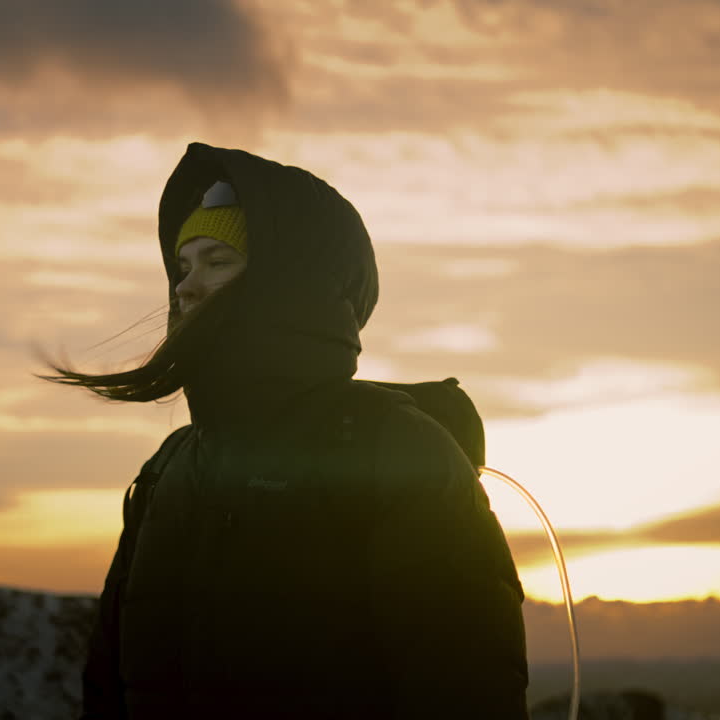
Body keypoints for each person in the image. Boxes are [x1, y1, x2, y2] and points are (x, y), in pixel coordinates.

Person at [44, 143, 529, 719]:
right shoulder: (170, 467)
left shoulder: (398, 454)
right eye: (183, 266)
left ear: (289, 284)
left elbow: (466, 692)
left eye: (218, 261)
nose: (186, 286)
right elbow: (108, 687)